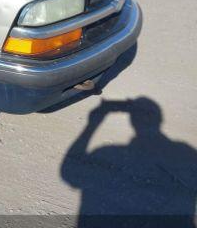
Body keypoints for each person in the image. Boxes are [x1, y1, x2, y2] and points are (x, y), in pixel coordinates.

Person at [61, 97, 197, 227]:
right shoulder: (185, 152)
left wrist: (93, 123)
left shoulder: (105, 151)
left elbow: (68, 173)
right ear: (159, 119)